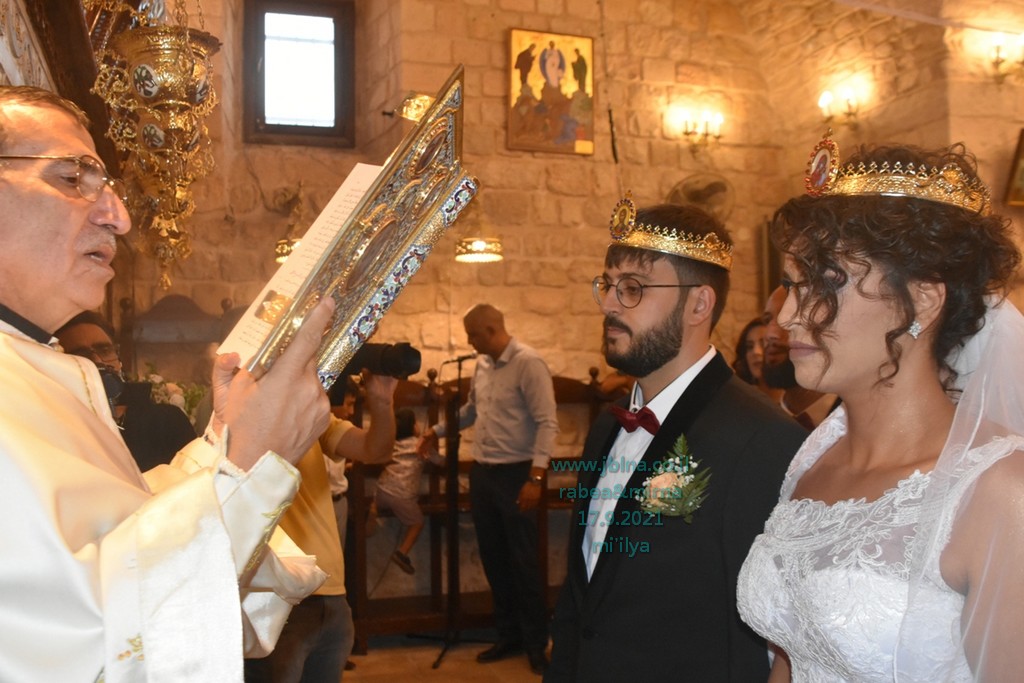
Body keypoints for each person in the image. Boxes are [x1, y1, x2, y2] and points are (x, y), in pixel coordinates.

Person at [0, 85, 334, 681]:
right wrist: (252, 464)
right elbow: (73, 642)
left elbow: (118, 534)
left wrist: (224, 444)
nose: (119, 218)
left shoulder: (36, 363)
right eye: (73, 178)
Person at [736, 135, 1024, 681]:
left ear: (922, 301)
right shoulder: (814, 456)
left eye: (825, 283)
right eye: (791, 286)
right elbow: (789, 657)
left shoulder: (998, 491)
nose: (789, 316)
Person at [547, 197, 806, 682]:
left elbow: (772, 626)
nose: (609, 304)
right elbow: (583, 593)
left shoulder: (761, 439)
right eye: (608, 285)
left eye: (633, 288)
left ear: (698, 304)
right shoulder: (607, 427)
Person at [419, 303, 559, 676]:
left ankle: (536, 644)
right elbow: (470, 411)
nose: (469, 342)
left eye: (473, 335)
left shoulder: (528, 363)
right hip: (484, 474)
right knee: (494, 559)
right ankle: (508, 635)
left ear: (492, 330)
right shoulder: (481, 365)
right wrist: (436, 430)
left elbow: (547, 423)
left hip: (518, 474)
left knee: (524, 562)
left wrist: (536, 478)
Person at [244, 372, 397, 683]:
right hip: (278, 596)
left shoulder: (311, 414)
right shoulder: (238, 411)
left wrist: (382, 404)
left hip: (331, 594)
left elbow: (375, 450)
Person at [56, 310, 196, 471]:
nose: (97, 361)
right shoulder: (58, 429)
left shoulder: (166, 421)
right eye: (81, 356)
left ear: (119, 358)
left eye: (105, 350)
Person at [372, 407, 440, 575]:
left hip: (382, 489)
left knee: (381, 500)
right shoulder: (420, 445)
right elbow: (440, 461)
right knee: (417, 522)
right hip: (402, 495)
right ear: (413, 426)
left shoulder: (392, 444)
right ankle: (402, 553)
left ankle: (374, 508)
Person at [760, 284, 838, 429]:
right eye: (767, 320)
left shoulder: (862, 423)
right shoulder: (760, 425)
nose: (771, 334)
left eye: (791, 317)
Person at [732, 315, 782, 403]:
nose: (755, 352)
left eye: (763, 344)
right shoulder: (738, 401)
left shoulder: (799, 402)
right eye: (749, 346)